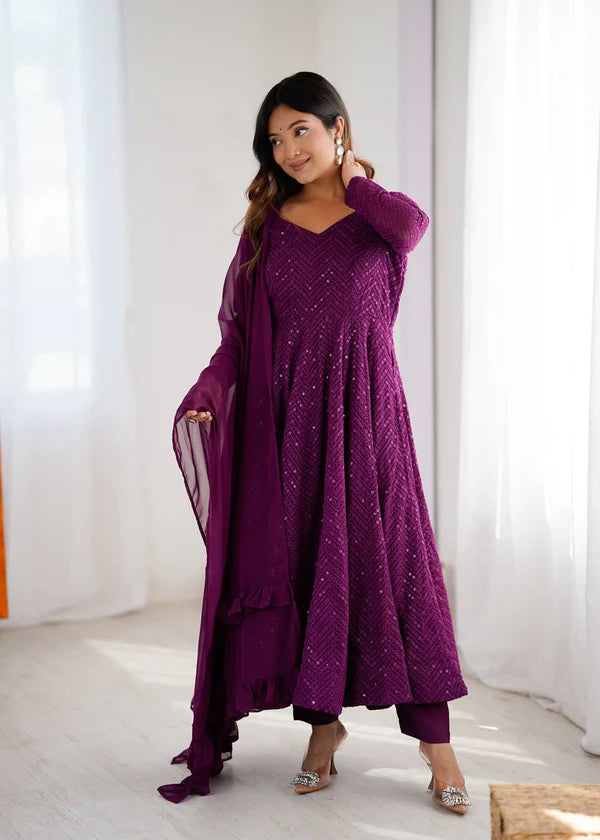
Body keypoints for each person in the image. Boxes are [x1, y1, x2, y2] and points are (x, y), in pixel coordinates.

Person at [163, 71, 471, 816]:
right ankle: (323, 731)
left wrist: (355, 180)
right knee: (310, 573)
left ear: (338, 129)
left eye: (301, 130)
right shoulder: (265, 231)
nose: (288, 150)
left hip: (371, 423)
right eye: (275, 140)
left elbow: (413, 228)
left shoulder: (379, 216)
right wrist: (207, 392)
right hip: (292, 432)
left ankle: (438, 746)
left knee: (399, 571)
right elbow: (237, 338)